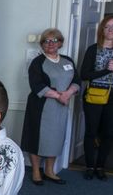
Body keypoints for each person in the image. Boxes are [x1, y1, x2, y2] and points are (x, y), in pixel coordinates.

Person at [20, 28, 80, 185]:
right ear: (42, 44)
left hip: (60, 108)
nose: (51, 43)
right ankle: (35, 172)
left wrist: (68, 93)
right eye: (46, 41)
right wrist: (59, 96)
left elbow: (77, 81)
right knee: (37, 139)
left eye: (54, 40)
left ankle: (49, 171)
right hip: (40, 107)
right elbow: (36, 85)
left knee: (55, 138)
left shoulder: (67, 61)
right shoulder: (37, 62)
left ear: (60, 43)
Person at [80, 14, 113, 181]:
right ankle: (90, 166)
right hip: (94, 95)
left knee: (109, 133)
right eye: (107, 26)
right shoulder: (93, 49)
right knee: (91, 131)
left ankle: (101, 167)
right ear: (102, 29)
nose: (111, 30)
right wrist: (106, 70)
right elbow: (84, 75)